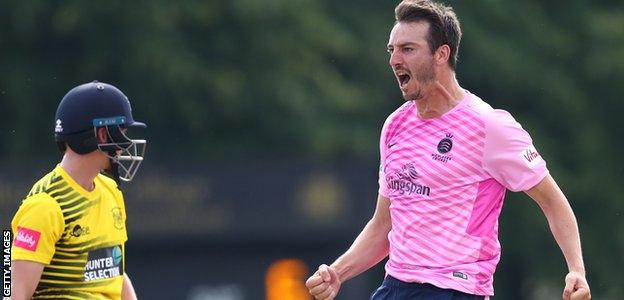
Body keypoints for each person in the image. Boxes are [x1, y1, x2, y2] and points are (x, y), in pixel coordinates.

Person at [305, 1, 591, 299]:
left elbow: (553, 203)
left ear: (441, 54)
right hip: (395, 286)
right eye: (392, 50)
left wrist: (576, 271)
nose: (394, 60)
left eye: (407, 49)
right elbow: (383, 225)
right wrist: (338, 272)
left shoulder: (489, 126)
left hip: (456, 288)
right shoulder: (395, 126)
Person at [10, 81, 147, 299]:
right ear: (102, 135)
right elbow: (18, 294)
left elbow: (114, 271)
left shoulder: (111, 191)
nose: (126, 144)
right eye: (122, 132)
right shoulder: (45, 205)